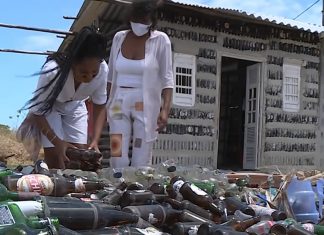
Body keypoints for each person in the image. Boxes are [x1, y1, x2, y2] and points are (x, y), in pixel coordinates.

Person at [23, 26, 108, 169]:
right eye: (83, 73)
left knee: (80, 156)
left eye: (93, 73)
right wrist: (58, 142)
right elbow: (38, 112)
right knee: (56, 157)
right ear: (73, 62)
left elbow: (100, 105)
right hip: (50, 108)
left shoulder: (103, 70)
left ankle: (76, 188)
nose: (88, 78)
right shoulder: (52, 71)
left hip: (75, 105)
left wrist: (95, 140)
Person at [107, 0, 174, 168]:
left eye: (144, 21)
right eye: (137, 19)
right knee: (117, 153)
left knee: (141, 157)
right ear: (130, 17)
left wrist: (165, 110)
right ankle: (116, 187)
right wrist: (106, 104)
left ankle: (137, 192)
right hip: (118, 102)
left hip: (144, 104)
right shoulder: (119, 38)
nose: (139, 24)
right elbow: (110, 76)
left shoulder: (160, 40)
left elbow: (167, 78)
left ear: (152, 21)